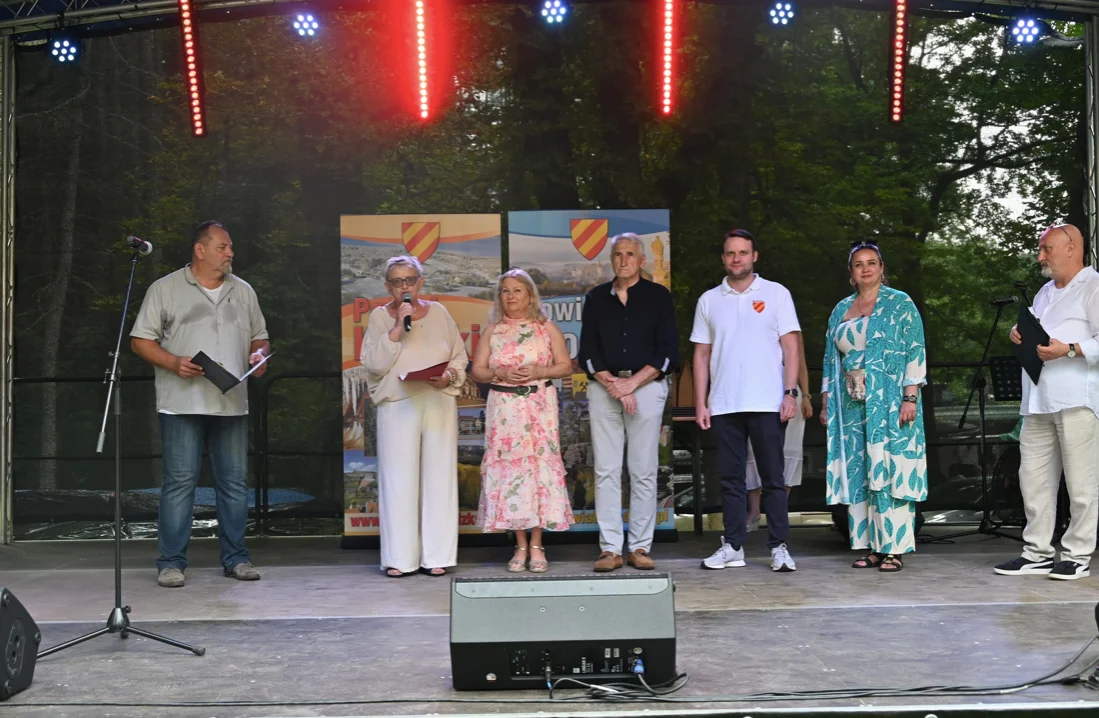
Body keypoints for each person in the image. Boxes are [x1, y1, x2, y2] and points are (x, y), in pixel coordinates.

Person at [130, 221, 270, 588]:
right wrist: (173, 362)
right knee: (179, 484)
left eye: (230, 247)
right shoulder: (165, 288)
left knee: (235, 484)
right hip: (182, 403)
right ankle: (171, 563)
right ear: (200, 250)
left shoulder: (244, 291)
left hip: (231, 402)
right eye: (223, 247)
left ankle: (237, 558)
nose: (230, 253)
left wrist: (259, 355)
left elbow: (261, 337)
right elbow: (140, 341)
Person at [691, 229, 800, 572]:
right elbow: (701, 355)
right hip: (724, 404)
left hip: (768, 402)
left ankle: (779, 547)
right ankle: (733, 546)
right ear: (723, 258)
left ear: (754, 256)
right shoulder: (709, 300)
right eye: (730, 253)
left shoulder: (776, 293)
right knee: (731, 480)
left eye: (742, 252)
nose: (736, 258)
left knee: (773, 479)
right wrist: (700, 402)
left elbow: (791, 347)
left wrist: (790, 392)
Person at [995, 223, 1099, 581]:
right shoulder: (1043, 292)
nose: (1040, 256)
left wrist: (1069, 349)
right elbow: (1039, 336)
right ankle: (1037, 552)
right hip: (1038, 400)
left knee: (1081, 484)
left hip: (1076, 399)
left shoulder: (1094, 286)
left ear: (1071, 248)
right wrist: (1019, 334)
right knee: (1033, 481)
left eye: (1046, 249)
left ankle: (1077, 555)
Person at [820, 241, 927, 573]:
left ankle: (893, 548)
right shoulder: (841, 308)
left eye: (871, 262)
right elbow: (830, 359)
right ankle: (871, 547)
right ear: (851, 273)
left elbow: (915, 349)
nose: (865, 268)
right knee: (862, 473)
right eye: (858, 264)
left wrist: (910, 396)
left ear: (882, 268)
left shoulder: (899, 303)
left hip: (890, 401)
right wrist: (826, 401)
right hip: (851, 406)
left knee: (890, 468)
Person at [360, 255, 469, 578]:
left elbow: (459, 355)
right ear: (387, 287)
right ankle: (400, 558)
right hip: (397, 402)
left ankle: (437, 555)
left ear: (420, 283)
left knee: (439, 477)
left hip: (437, 399)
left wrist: (449, 376)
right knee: (398, 479)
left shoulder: (440, 312)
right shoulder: (380, 317)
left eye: (410, 280)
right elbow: (374, 364)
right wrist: (397, 328)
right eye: (397, 282)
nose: (404, 287)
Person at [578, 233, 678, 572]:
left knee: (643, 470)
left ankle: (639, 547)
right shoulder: (596, 297)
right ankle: (610, 549)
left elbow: (668, 352)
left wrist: (632, 384)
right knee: (606, 470)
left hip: (646, 388)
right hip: (605, 388)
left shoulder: (658, 297)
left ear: (642, 260)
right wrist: (614, 384)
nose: (623, 260)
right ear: (611, 260)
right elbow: (587, 351)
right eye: (618, 254)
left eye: (630, 254)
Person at [471, 269, 574, 572]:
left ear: (530, 295)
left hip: (539, 406)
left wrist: (541, 371)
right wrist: (498, 373)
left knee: (537, 470)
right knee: (511, 472)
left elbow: (565, 366)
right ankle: (520, 544)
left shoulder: (546, 328)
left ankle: (538, 544)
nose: (511, 296)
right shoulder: (493, 331)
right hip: (504, 409)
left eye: (517, 290)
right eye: (506, 290)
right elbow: (477, 370)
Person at [746, 332, 812, 531]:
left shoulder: (793, 330)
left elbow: (801, 362)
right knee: (753, 449)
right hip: (759, 390)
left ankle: (779, 512)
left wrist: (806, 395)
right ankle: (754, 512)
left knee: (789, 449)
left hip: (790, 392)